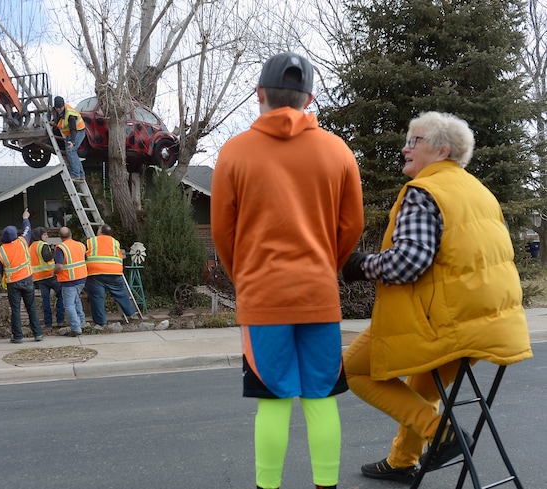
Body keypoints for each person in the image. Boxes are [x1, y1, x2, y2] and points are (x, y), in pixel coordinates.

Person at [341, 111, 533, 484]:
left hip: (446, 324)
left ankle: (442, 434)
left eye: (414, 141)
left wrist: (360, 265)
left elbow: (409, 261)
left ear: (441, 150)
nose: (404, 148)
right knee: (423, 386)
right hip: (488, 326)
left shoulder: (424, 192)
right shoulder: (478, 192)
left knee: (351, 369)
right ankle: (402, 461)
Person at [211, 52, 365, 489]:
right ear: (309, 98)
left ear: (259, 94)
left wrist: (245, 277)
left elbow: (223, 231)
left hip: (263, 296)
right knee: (321, 397)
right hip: (318, 293)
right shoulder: (337, 151)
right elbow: (352, 224)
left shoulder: (234, 152)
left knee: (273, 401)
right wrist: (325, 266)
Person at [0, 208, 44, 343]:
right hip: (27, 280)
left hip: (12, 284)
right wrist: (25, 218)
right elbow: (27, 229)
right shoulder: (22, 241)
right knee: (31, 307)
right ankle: (38, 334)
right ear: (15, 235)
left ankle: (18, 336)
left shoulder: (0, 251)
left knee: (15, 310)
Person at [85, 224, 138, 327]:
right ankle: (131, 313)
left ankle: (101, 322)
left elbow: (84, 255)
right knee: (121, 293)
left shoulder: (91, 241)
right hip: (114, 272)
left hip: (96, 273)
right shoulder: (115, 242)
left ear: (100, 232)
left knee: (97, 297)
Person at [53, 226, 88, 336]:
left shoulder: (61, 248)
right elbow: (85, 259)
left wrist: (53, 272)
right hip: (82, 278)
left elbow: (59, 266)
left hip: (69, 280)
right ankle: (82, 322)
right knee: (76, 300)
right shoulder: (81, 245)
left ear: (60, 237)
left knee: (69, 305)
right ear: (71, 235)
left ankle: (76, 328)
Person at [30, 226, 65, 328]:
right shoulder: (43, 245)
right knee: (61, 295)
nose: (47, 236)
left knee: (45, 301)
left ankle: (48, 323)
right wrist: (54, 251)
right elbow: (47, 257)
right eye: (45, 234)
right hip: (51, 275)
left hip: (39, 278)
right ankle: (60, 320)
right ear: (40, 236)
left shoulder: (31, 247)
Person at [53, 95, 86, 180]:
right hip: (69, 133)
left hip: (78, 131)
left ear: (63, 105)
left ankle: (75, 174)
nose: (59, 109)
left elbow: (73, 129)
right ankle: (81, 174)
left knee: (71, 150)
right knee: (71, 151)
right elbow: (59, 120)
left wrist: (72, 141)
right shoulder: (56, 111)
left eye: (60, 108)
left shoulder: (70, 115)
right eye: (57, 108)